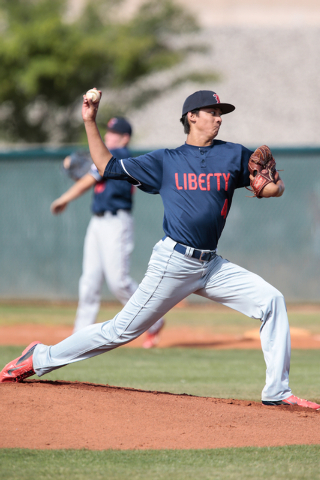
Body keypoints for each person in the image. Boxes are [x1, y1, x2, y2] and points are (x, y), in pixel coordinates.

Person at [1, 89, 319, 411]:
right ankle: (40, 356)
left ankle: (277, 391)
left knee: (271, 300)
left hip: (210, 266)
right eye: (212, 111)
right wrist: (89, 120)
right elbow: (107, 165)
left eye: (221, 113)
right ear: (191, 117)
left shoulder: (235, 155)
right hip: (174, 262)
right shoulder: (166, 161)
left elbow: (272, 187)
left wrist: (270, 187)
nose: (219, 118)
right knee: (120, 331)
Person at [50, 116, 164, 346]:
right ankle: (78, 337)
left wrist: (65, 198)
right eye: (108, 133)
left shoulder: (120, 155)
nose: (108, 136)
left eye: (113, 133)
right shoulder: (106, 158)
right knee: (89, 280)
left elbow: (88, 180)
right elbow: (89, 173)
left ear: (125, 138)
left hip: (116, 222)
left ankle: (154, 320)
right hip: (97, 222)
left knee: (118, 281)